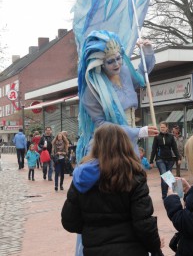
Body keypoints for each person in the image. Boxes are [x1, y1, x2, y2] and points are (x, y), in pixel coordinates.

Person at [61, 124, 164, 256]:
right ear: (124, 143)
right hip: (131, 249)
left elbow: (70, 221)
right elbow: (144, 223)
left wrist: (92, 229)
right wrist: (155, 247)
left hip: (95, 249)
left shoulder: (82, 176)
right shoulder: (133, 174)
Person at [76, 30, 158, 163]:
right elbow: (102, 125)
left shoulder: (125, 71)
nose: (117, 64)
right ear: (100, 63)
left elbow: (141, 78)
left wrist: (147, 53)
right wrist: (138, 132)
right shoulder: (91, 91)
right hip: (109, 145)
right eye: (110, 61)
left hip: (130, 142)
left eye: (119, 58)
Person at [150, 121, 181, 200]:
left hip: (170, 160)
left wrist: (178, 158)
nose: (162, 129)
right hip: (160, 159)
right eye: (161, 127)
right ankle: (170, 195)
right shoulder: (157, 137)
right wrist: (151, 161)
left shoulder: (171, 136)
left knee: (167, 177)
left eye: (163, 127)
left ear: (167, 128)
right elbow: (153, 149)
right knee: (165, 176)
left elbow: (174, 148)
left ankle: (168, 195)